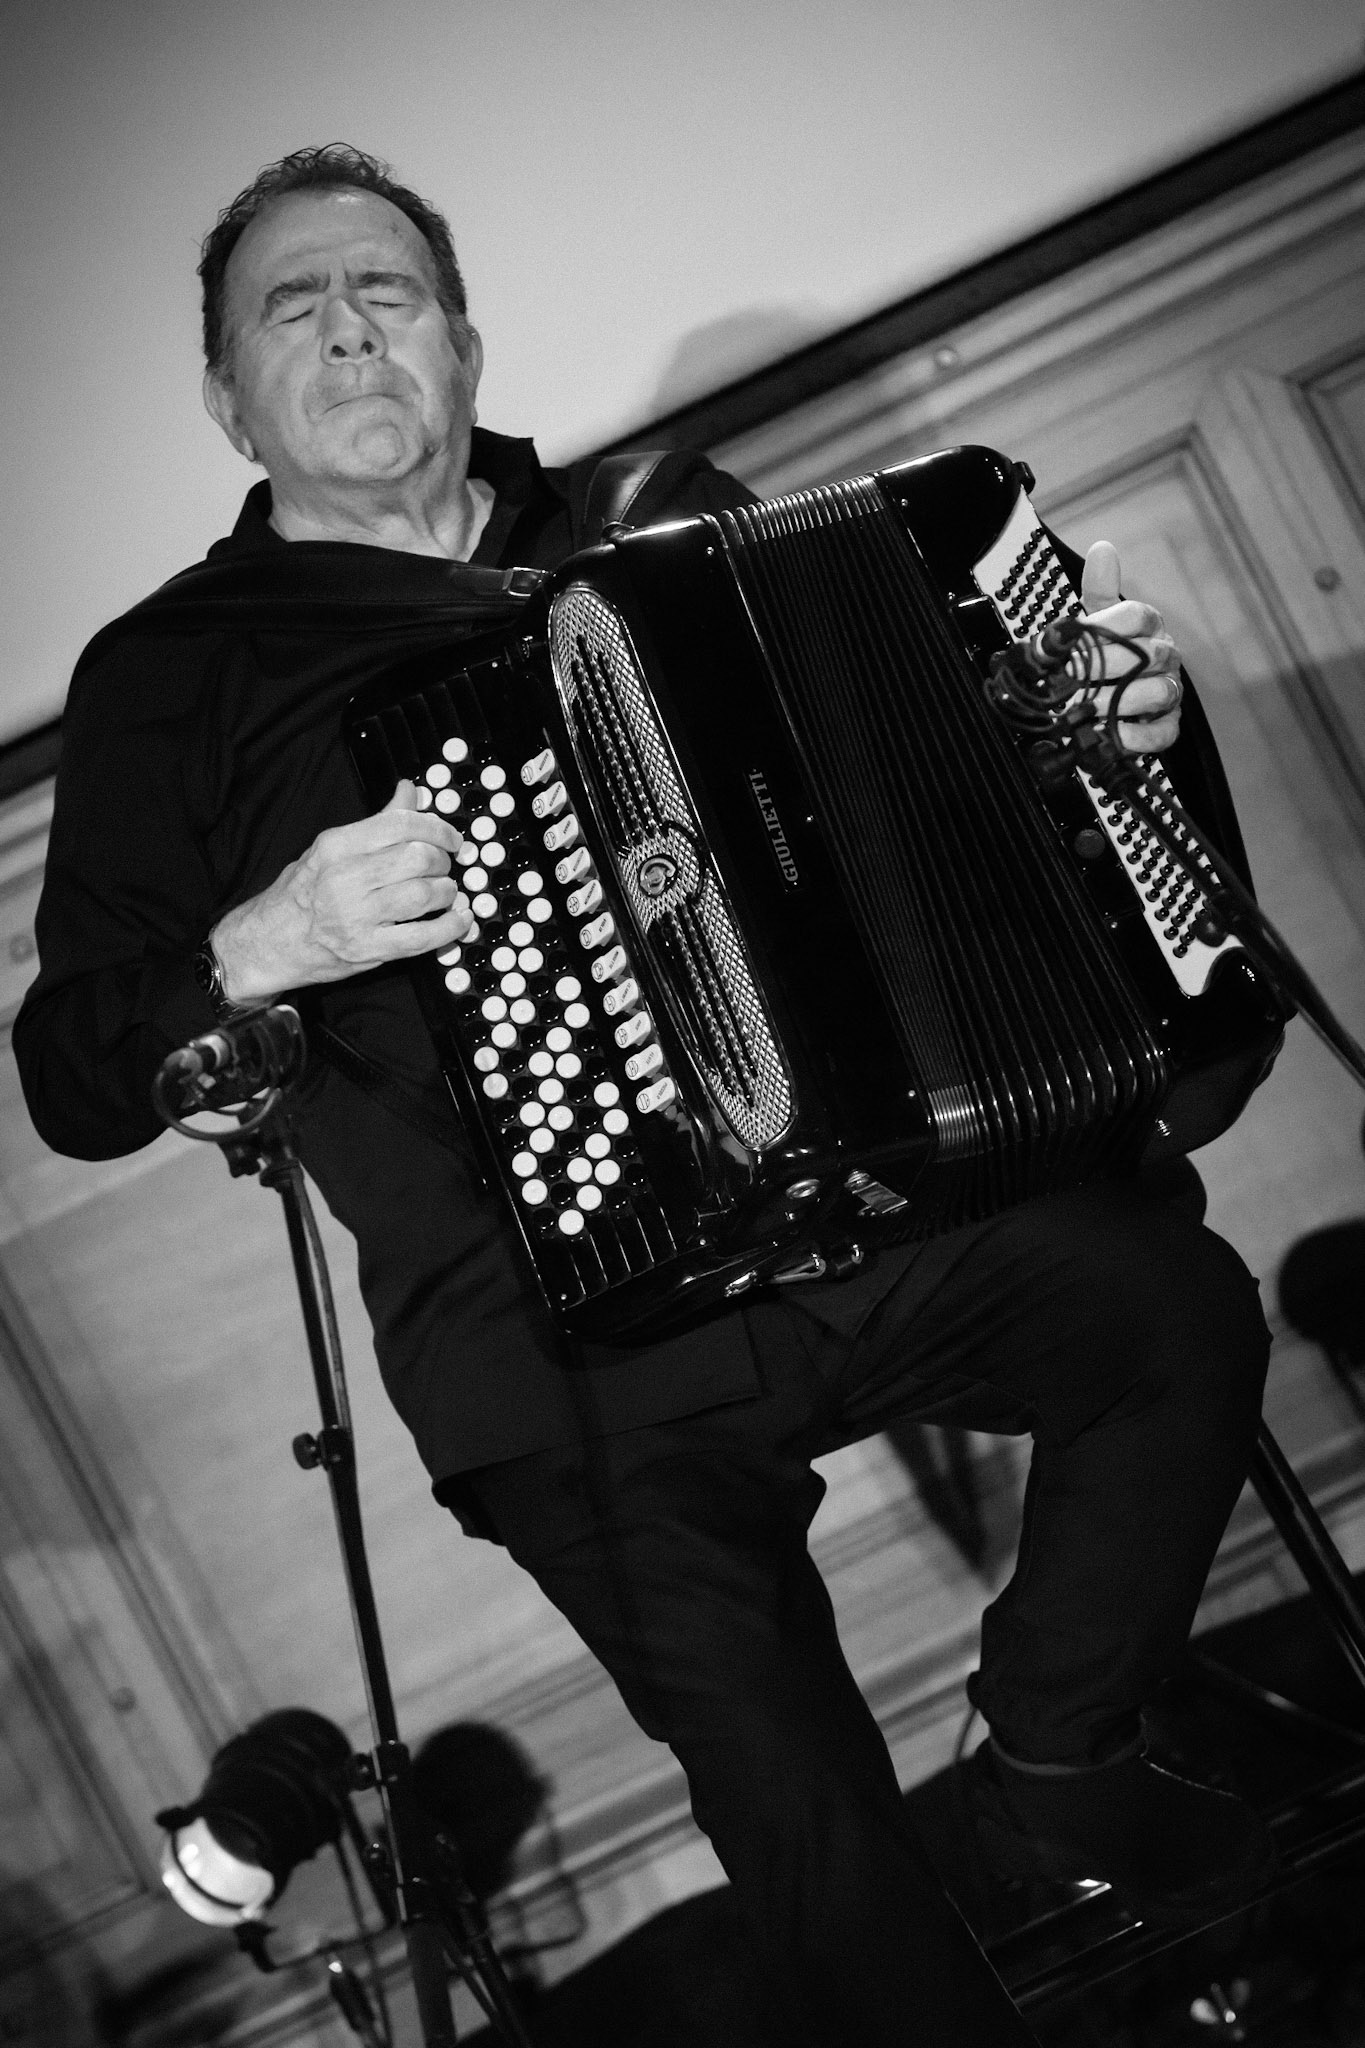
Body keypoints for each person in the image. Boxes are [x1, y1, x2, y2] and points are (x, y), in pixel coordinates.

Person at [16, 146, 1278, 2045]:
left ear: (460, 337)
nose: (354, 329)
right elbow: (70, 1076)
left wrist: (1096, 739)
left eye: (391, 292)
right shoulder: (169, 684)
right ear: (225, 398)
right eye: (297, 307)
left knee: (1168, 1304)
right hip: (551, 1346)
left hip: (857, 1216)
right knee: (791, 1798)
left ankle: (1049, 1768)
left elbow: (921, 809)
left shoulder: (655, 528)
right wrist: (266, 933)